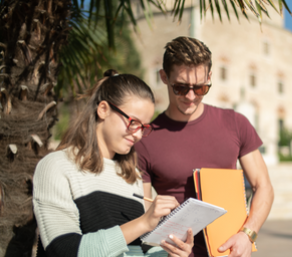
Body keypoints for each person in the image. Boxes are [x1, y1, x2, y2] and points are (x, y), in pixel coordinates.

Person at [135, 37, 274, 257]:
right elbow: (141, 213)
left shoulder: (236, 124)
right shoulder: (145, 138)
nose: (191, 97)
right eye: (180, 87)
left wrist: (248, 234)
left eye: (200, 88)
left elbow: (263, 186)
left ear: (209, 78)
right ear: (164, 77)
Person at [33, 70, 194, 257]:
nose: (138, 134)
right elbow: (65, 251)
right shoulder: (56, 166)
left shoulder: (131, 175)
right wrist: (143, 222)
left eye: (144, 127)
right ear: (103, 109)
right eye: (133, 122)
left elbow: (136, 250)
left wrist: (170, 253)